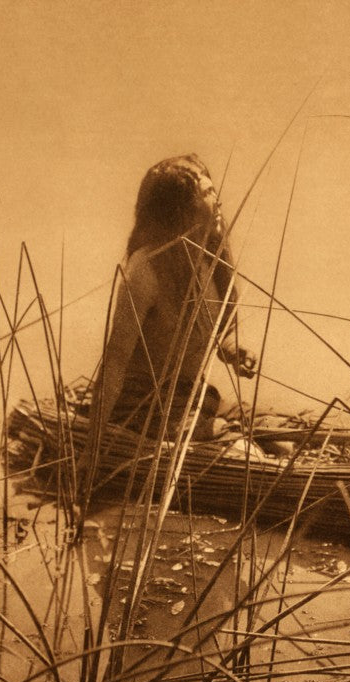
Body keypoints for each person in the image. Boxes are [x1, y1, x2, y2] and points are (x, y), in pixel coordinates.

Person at [79, 154, 257, 492]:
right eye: (205, 193)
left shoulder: (211, 258)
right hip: (147, 405)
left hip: (192, 395)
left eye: (213, 189)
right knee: (245, 452)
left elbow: (223, 331)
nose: (217, 199)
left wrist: (235, 351)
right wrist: (92, 449)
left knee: (279, 435)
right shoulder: (147, 268)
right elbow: (115, 360)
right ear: (179, 210)